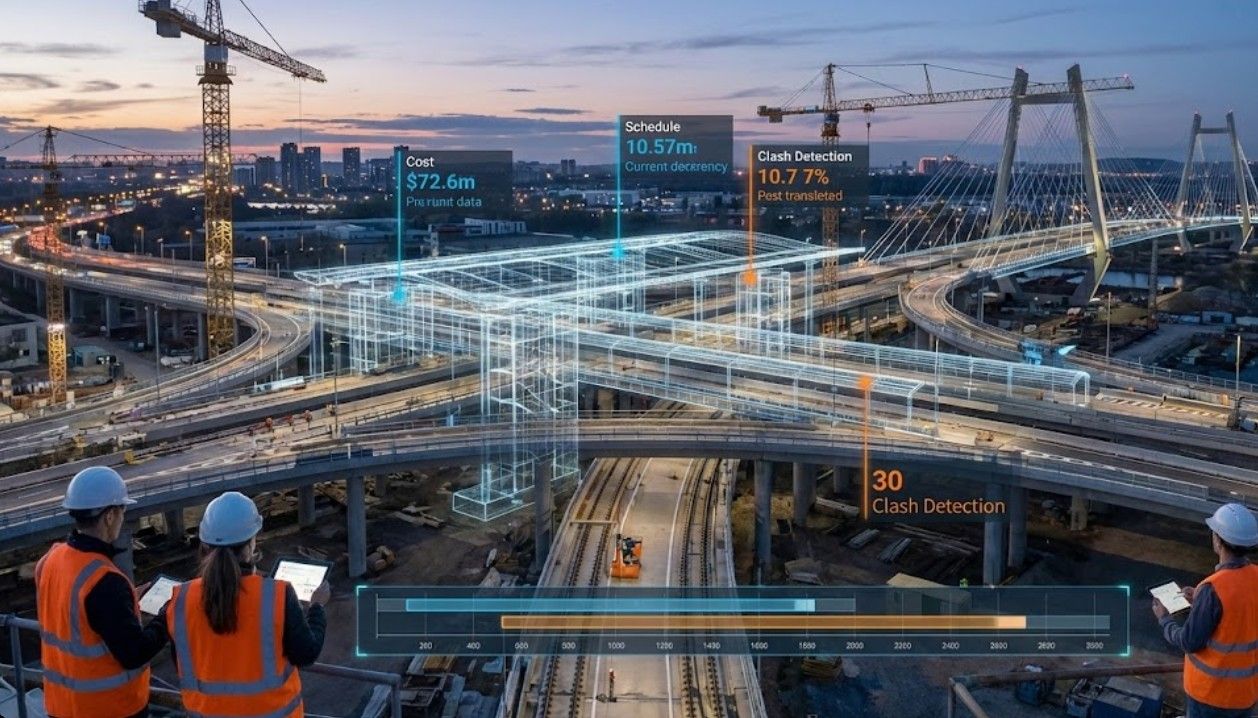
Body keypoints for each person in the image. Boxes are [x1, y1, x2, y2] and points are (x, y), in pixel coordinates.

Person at [164, 491, 328, 718]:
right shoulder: (278, 595)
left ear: (205, 545)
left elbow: (183, 660)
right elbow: (306, 653)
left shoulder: (181, 600)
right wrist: (317, 607)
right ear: (251, 544)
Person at [35, 466, 167, 718]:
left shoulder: (51, 559)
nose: (122, 518)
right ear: (109, 516)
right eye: (122, 511)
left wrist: (125, 606)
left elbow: (76, 618)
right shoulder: (105, 582)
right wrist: (166, 618)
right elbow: (134, 653)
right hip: (108, 709)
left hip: (62, 705)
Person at [1156, 503, 1258, 717]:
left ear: (1218, 540)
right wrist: (1200, 602)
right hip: (1246, 694)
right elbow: (1239, 616)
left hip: (1211, 695)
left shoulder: (1214, 589)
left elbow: (1189, 641)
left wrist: (1165, 620)